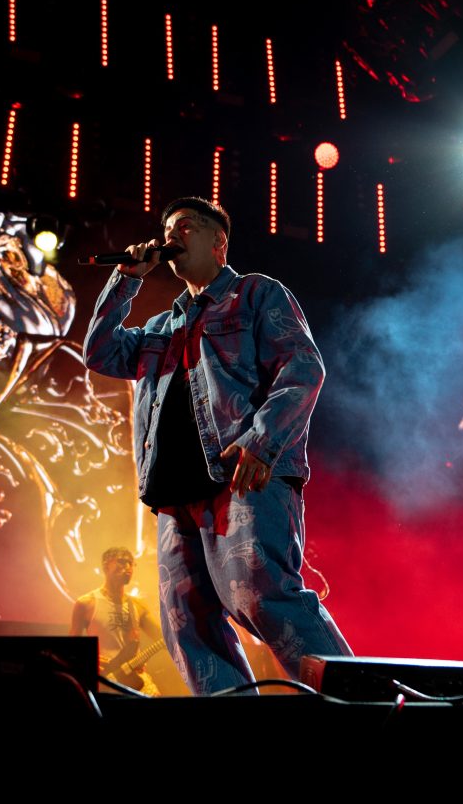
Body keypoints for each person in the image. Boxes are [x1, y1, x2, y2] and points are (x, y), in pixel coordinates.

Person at [83, 196, 352, 695]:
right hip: (174, 492)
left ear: (218, 242)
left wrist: (262, 441)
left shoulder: (256, 294)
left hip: (242, 475)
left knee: (260, 597)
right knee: (187, 623)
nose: (172, 235)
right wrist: (126, 279)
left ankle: (362, 702)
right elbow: (99, 353)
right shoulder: (160, 328)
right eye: (168, 228)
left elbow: (302, 369)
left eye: (185, 226)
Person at [70, 547, 164, 696]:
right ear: (106, 566)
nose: (128, 567)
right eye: (122, 561)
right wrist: (89, 659)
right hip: (103, 679)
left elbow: (165, 640)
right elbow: (72, 647)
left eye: (131, 563)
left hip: (134, 676)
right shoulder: (86, 603)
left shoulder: (138, 605)